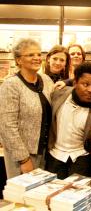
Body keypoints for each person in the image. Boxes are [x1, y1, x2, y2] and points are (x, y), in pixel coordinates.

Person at [0, 38, 54, 178]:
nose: (36, 58)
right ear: (18, 60)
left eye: (38, 54)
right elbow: (7, 126)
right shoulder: (11, 85)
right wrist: (23, 159)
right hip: (22, 157)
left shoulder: (46, 81)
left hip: (45, 153)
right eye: (30, 55)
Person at [46, 62, 91, 179]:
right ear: (75, 83)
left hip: (81, 157)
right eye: (85, 84)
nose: (90, 90)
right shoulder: (58, 94)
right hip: (55, 155)